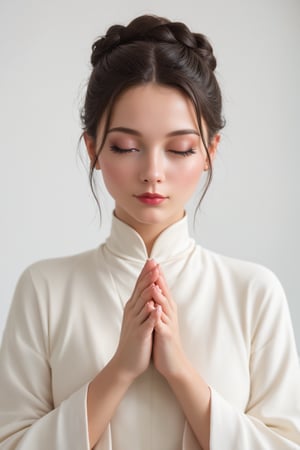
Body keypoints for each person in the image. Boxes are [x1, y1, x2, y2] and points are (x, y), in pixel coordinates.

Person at [0, 14, 299, 450]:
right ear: (93, 149)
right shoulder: (44, 289)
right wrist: (121, 368)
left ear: (210, 151)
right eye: (126, 147)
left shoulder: (254, 292)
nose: (153, 173)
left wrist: (179, 370)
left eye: (180, 149)